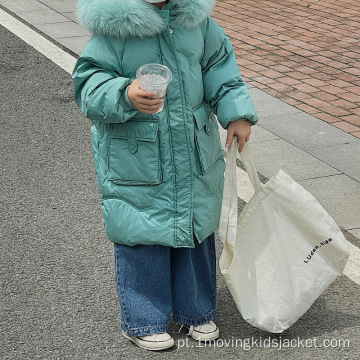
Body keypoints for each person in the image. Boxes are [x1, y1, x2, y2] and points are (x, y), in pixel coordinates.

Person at [72, 0, 258, 351]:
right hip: (137, 158)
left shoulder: (197, 23)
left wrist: (236, 113)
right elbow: (88, 85)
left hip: (192, 152)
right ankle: (143, 318)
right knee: (140, 232)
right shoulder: (114, 30)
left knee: (195, 227)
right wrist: (125, 93)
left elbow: (220, 67)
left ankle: (196, 310)